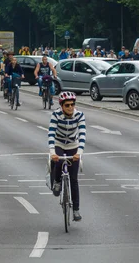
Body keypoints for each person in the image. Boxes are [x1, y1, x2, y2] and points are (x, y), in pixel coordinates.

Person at [49, 92, 85, 222]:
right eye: (67, 105)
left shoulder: (80, 115)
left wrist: (79, 153)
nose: (71, 107)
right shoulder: (56, 115)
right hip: (59, 143)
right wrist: (52, 152)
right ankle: (57, 182)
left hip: (72, 145)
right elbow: (51, 134)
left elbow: (82, 135)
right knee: (58, 161)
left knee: (73, 179)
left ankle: (76, 210)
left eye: (73, 104)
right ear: (62, 106)